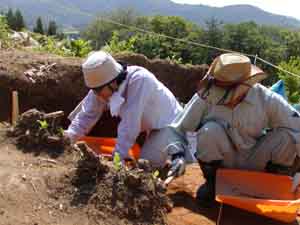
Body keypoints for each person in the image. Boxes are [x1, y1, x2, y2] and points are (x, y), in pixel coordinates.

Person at [168, 53, 300, 205]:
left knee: (286, 137)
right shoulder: (207, 96)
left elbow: (298, 128)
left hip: (257, 161)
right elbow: (176, 128)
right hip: (223, 163)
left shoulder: (267, 99)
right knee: (209, 131)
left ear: (246, 85)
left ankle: (271, 187)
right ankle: (213, 185)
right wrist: (177, 155)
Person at [64, 50, 183, 169]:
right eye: (93, 90)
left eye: (98, 90)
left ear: (112, 82)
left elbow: (129, 125)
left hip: (169, 125)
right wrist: (67, 139)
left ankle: (168, 161)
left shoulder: (139, 80)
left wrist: (117, 158)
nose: (96, 94)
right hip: (148, 124)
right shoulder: (102, 86)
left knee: (146, 164)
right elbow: (86, 115)